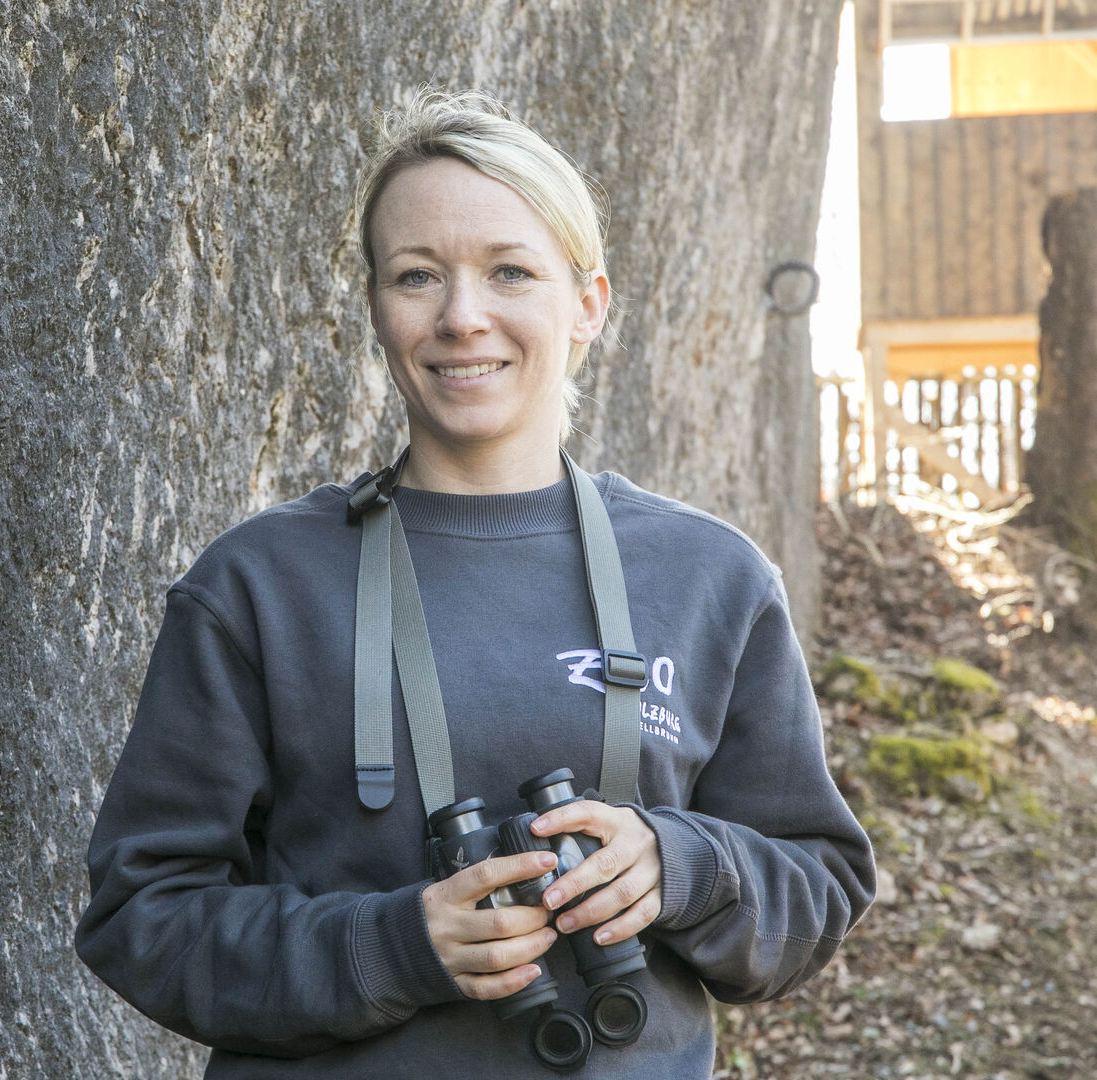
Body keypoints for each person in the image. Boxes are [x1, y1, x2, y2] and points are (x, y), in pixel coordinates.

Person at [75, 88, 876, 1078]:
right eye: (417, 276)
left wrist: (678, 866)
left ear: (589, 305)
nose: (463, 318)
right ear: (375, 307)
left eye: (509, 271)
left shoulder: (711, 578)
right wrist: (392, 946)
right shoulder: (256, 586)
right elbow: (140, 915)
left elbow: (818, 889)